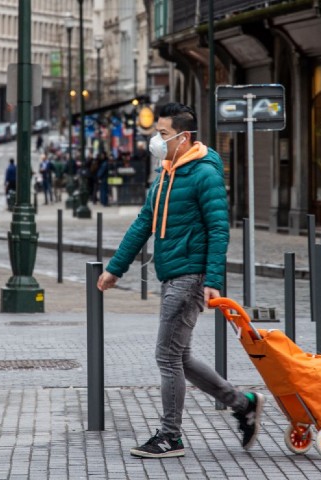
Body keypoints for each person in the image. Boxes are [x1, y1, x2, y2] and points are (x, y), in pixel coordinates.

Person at [96, 102, 264, 459]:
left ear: (184, 138)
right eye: (157, 133)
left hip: (191, 276)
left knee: (167, 355)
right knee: (180, 357)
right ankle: (243, 404)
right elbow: (143, 222)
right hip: (172, 274)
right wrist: (115, 268)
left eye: (163, 135)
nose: (158, 142)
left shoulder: (205, 174)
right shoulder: (167, 174)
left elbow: (219, 228)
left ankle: (171, 436)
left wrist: (213, 277)